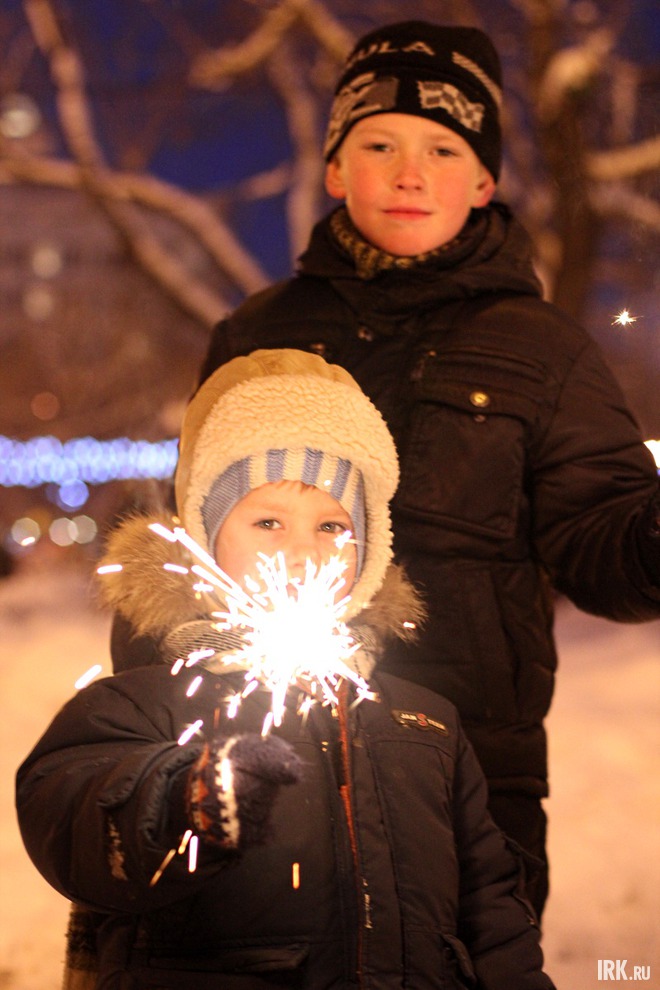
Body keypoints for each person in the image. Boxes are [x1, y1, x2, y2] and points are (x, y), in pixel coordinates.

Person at [198, 21, 660, 917]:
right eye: (379, 143)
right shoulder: (255, 337)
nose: (410, 171)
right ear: (336, 168)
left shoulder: (544, 351)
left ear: (484, 179)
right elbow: (196, 541)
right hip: (266, 757)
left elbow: (608, 548)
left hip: (472, 774)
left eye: (443, 148)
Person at [16, 348, 554, 990]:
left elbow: (491, 914)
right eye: (268, 520)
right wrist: (186, 798)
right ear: (207, 537)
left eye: (332, 525)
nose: (303, 551)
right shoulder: (139, 708)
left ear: (371, 549)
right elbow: (75, 826)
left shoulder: (426, 724)